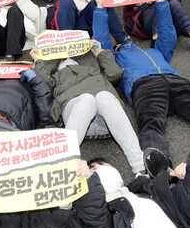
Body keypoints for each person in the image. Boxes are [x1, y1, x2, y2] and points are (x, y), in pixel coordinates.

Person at [93, 0, 190, 172]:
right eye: (119, 44)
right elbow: (101, 39)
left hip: (175, 81)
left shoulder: (156, 52)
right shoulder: (114, 58)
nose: (126, 44)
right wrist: (99, 7)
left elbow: (168, 34)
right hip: (145, 86)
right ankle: (161, 172)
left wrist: (160, 1)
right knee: (151, 124)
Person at [32, 40, 146, 176]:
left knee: (104, 95)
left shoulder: (92, 71)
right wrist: (38, 60)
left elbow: (115, 74)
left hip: (108, 121)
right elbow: (42, 83)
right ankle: (64, 164)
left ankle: (141, 167)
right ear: (57, 67)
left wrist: (99, 52)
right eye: (63, 60)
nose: (68, 59)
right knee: (87, 99)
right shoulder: (56, 77)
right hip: (76, 115)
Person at [121, 0, 190, 55]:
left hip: (169, 24)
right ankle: (155, 40)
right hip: (148, 26)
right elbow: (127, 16)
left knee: (174, 2)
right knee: (159, 6)